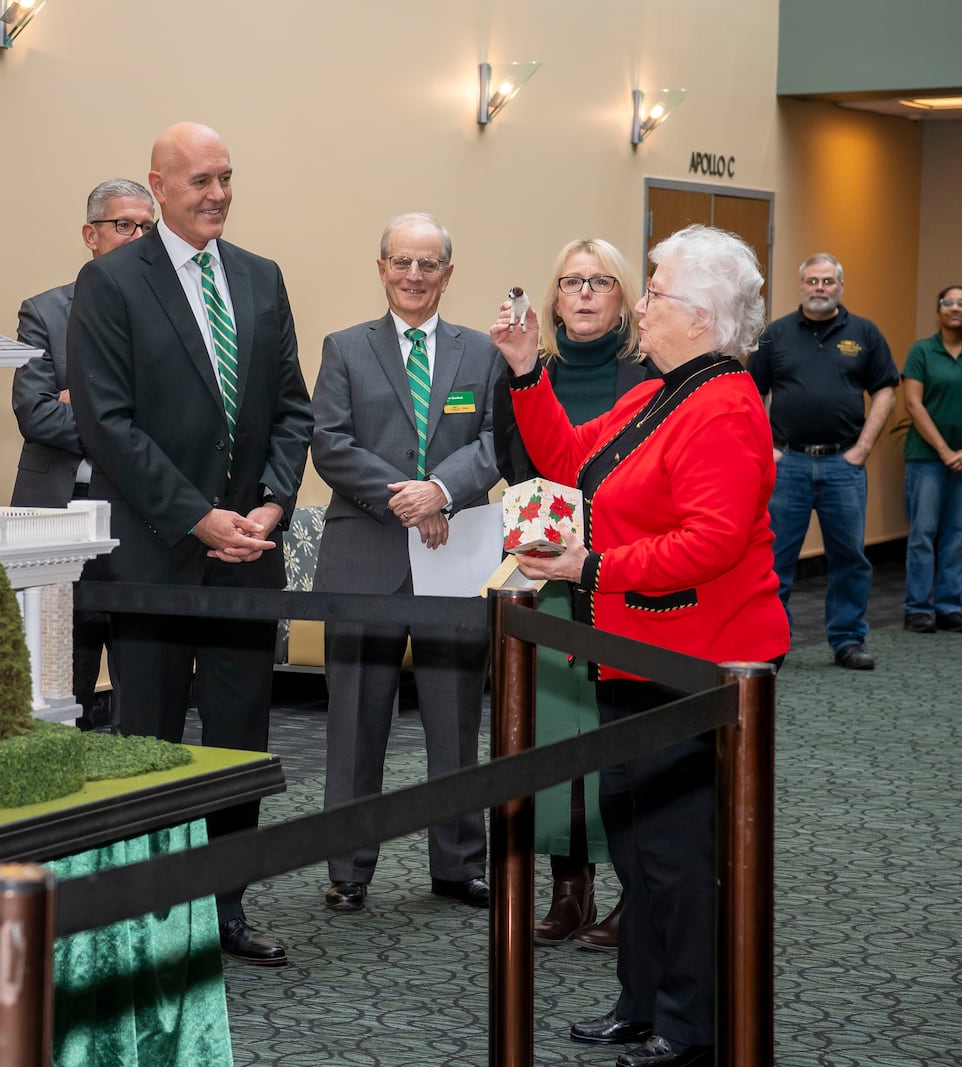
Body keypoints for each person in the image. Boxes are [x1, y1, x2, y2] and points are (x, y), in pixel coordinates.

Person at [490, 224, 789, 1067]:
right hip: (635, 652)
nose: (643, 301)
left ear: (697, 314)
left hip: (696, 661)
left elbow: (713, 542)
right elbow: (570, 458)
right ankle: (642, 997)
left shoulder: (724, 403)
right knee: (636, 839)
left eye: (654, 289)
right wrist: (525, 369)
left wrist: (595, 563)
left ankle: (692, 1024)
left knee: (678, 854)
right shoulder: (661, 390)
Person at [66, 123, 313, 967]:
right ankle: (154, 916)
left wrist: (272, 508)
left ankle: (224, 908)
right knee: (152, 742)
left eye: (227, 178)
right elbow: (108, 423)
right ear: (159, 184)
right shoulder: (110, 285)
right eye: (201, 178)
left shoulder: (261, 278)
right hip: (155, 560)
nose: (217, 193)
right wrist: (197, 516)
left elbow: (291, 410)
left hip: (252, 555)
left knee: (241, 741)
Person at [310, 213, 504, 914]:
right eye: (402, 263)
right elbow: (329, 444)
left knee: (455, 722)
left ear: (448, 273)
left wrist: (442, 491)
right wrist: (409, 499)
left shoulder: (482, 354)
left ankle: (459, 865)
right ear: (382, 266)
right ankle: (349, 868)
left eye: (428, 265)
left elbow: (495, 442)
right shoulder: (344, 349)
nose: (414, 276)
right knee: (355, 720)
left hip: (455, 557)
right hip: (365, 554)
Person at [492, 238, 653, 950]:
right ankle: (569, 886)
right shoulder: (528, 374)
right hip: (548, 575)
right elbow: (511, 459)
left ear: (623, 296)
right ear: (554, 300)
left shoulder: (651, 377)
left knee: (623, 734)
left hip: (623, 578)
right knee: (554, 734)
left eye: (599, 281)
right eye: (570, 282)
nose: (584, 294)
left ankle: (635, 887)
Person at [9, 178, 157, 729]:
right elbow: (36, 413)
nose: (137, 236)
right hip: (60, 513)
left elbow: (181, 422)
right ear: (90, 235)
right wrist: (124, 420)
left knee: (141, 670)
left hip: (142, 511)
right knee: (58, 670)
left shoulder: (171, 317)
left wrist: (88, 406)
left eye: (147, 226)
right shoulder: (44, 313)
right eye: (124, 225)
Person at [748, 253, 898, 670]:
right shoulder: (775, 335)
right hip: (788, 465)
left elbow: (886, 389)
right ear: (801, 286)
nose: (820, 288)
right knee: (775, 560)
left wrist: (863, 449)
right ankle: (771, 643)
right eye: (812, 281)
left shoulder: (864, 333)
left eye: (828, 281)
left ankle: (848, 640)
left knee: (850, 556)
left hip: (842, 466)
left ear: (840, 287)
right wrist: (768, 448)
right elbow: (750, 392)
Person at [901, 286, 962, 634]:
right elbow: (914, 404)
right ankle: (918, 609)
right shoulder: (922, 351)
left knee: (957, 535)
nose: (955, 308)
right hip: (926, 458)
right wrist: (944, 450)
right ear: (938, 310)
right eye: (948, 302)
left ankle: (948, 608)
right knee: (923, 533)